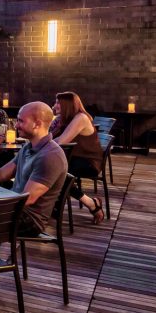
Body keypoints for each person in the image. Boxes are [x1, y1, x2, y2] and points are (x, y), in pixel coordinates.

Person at [0, 101, 68, 235]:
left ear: (37, 124)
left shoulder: (50, 156)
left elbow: (26, 199)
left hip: (28, 219)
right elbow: (2, 174)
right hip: (15, 208)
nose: (16, 125)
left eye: (21, 121)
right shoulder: (28, 147)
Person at [51, 91, 105, 223]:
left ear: (67, 105)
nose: (55, 105)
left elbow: (60, 141)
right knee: (48, 169)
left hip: (88, 162)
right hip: (72, 159)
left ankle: (91, 204)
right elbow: (49, 136)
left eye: (58, 103)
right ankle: (51, 207)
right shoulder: (64, 119)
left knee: (56, 174)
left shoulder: (81, 118)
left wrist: (40, 144)